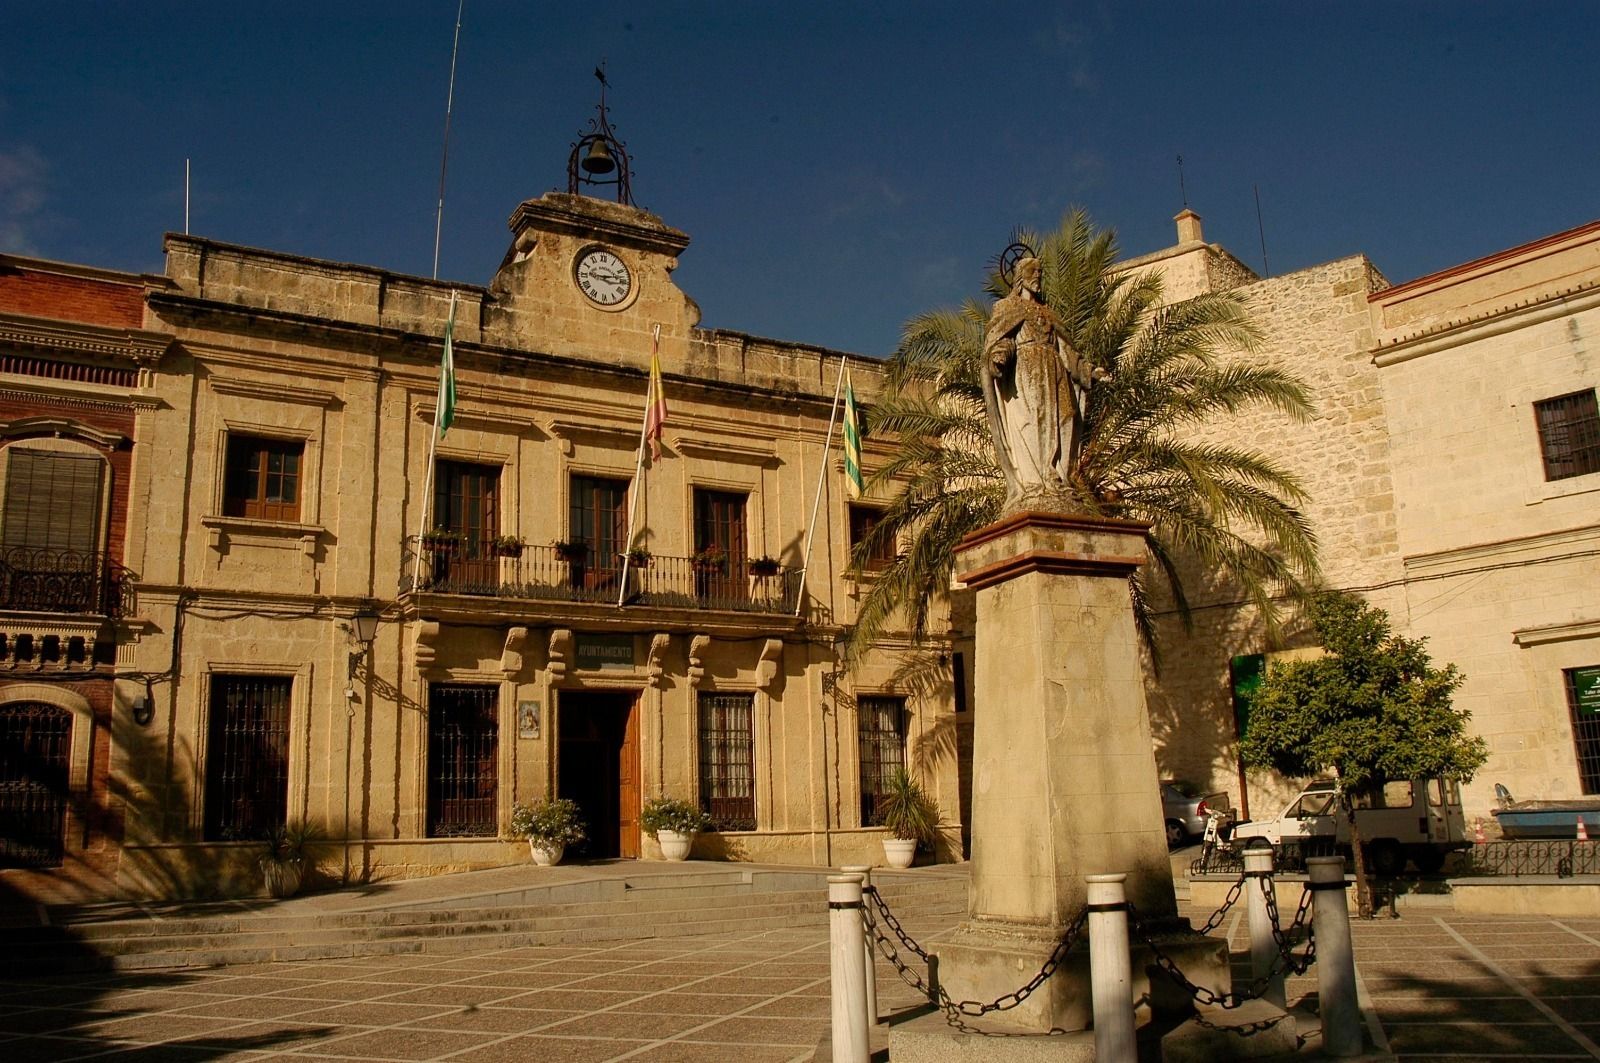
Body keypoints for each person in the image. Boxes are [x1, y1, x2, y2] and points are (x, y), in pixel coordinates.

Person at [981, 255, 1103, 508]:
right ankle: (1035, 483)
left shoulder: (1048, 312)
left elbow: (1066, 349)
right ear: (1019, 277)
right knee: (1032, 422)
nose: (1037, 276)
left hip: (1054, 368)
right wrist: (999, 355)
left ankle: (1057, 478)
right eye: (1032, 271)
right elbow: (1000, 339)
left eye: (1040, 272)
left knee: (1065, 418)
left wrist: (1087, 370)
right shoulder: (1006, 307)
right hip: (1026, 369)